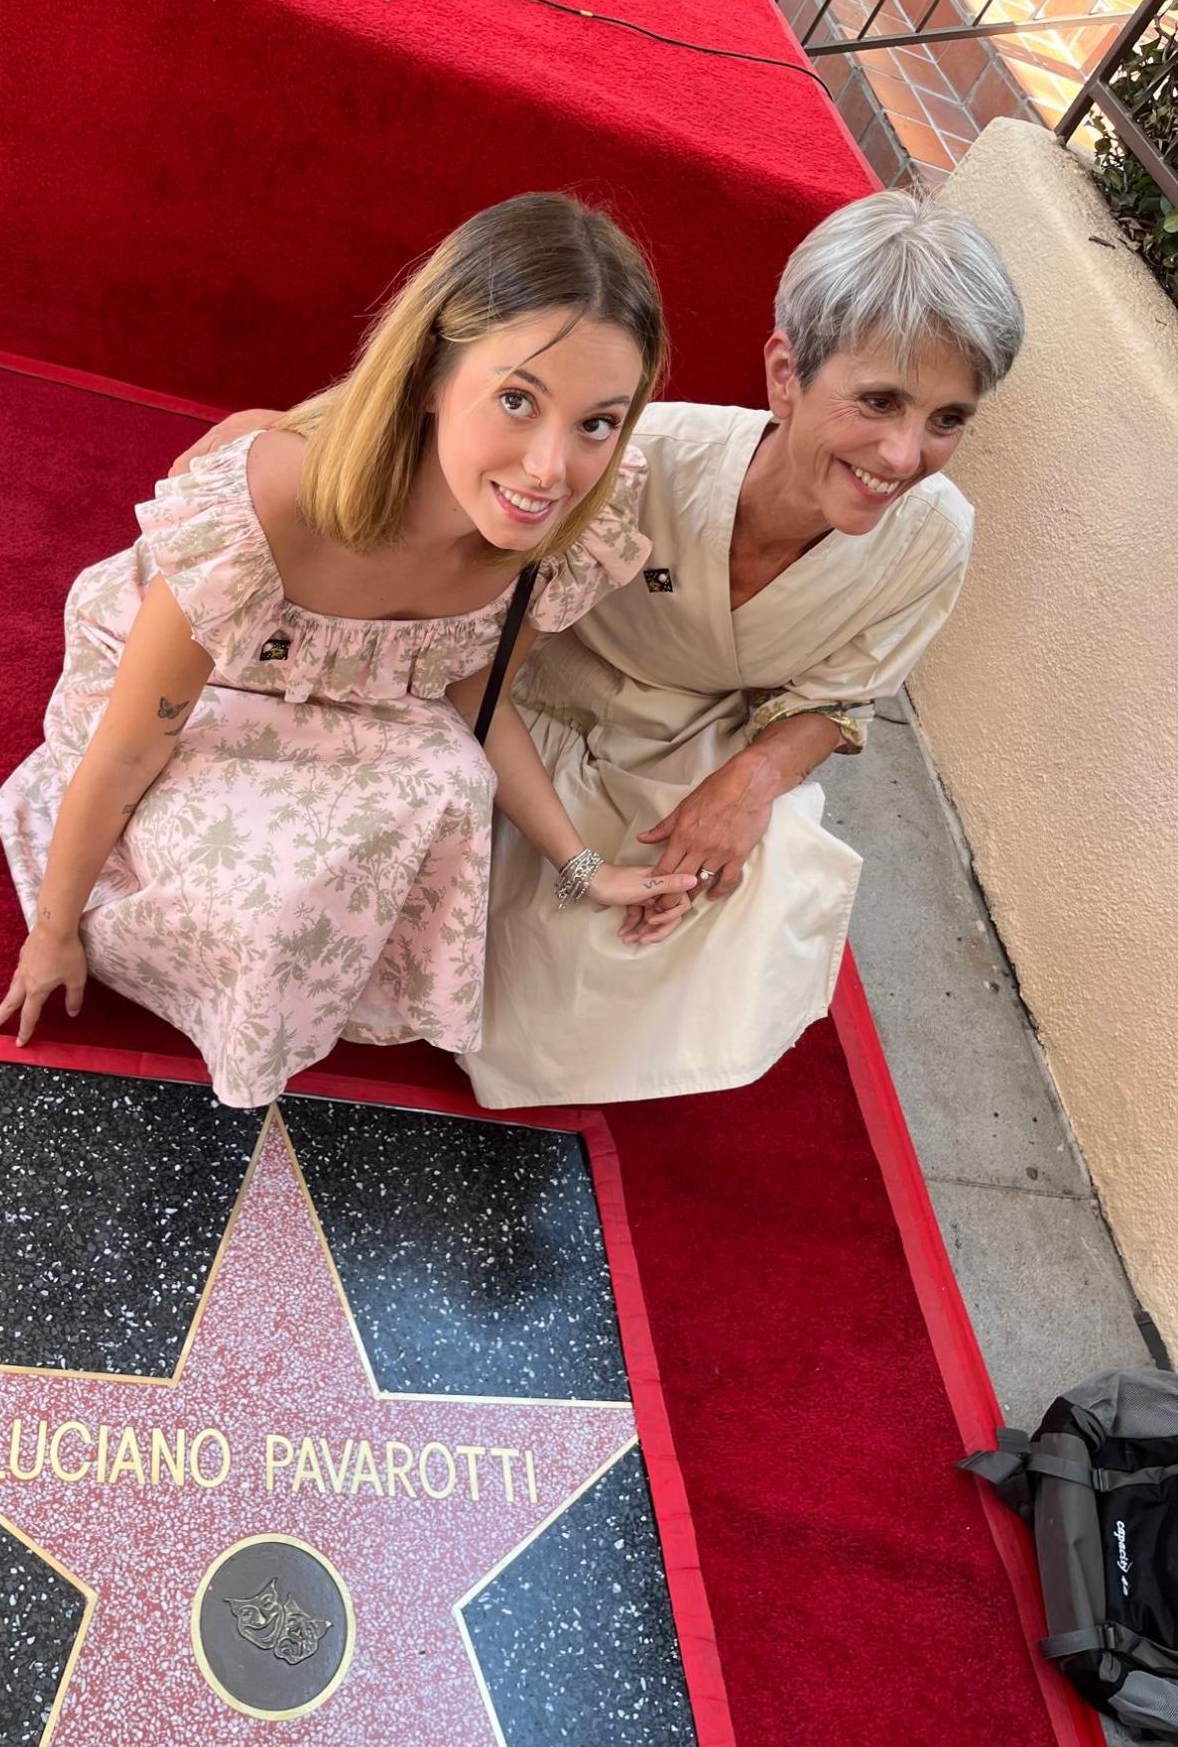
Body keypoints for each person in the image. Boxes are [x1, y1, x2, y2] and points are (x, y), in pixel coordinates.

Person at [183, 191, 1025, 1108]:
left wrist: (751, 783)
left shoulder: (937, 536)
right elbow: (445, 498)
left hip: (683, 744)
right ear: (786, 375)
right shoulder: (644, 456)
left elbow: (843, 694)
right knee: (467, 900)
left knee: (760, 875)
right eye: (879, 401)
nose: (904, 455)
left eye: (948, 419)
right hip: (521, 703)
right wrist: (270, 446)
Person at [0, 193, 692, 1107]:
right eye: (517, 401)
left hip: (360, 708)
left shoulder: (562, 529)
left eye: (596, 422)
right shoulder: (270, 505)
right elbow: (128, 749)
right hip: (206, 701)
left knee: (453, 781)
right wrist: (52, 934)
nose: (550, 470)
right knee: (262, 903)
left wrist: (583, 867)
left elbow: (478, 707)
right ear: (431, 375)